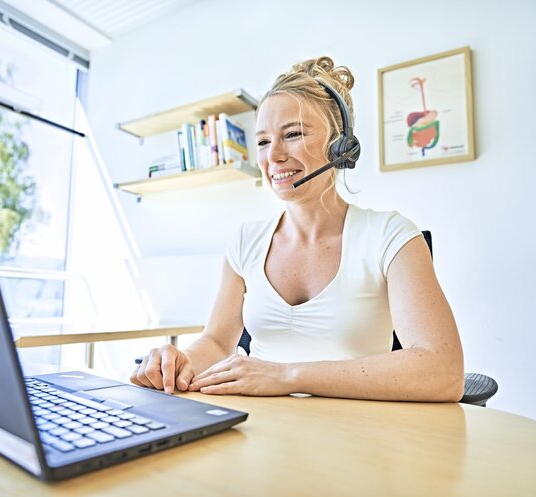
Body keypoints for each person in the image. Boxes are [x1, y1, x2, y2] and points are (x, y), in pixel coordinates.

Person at [131, 57, 464, 402]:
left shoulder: (391, 236)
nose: (273, 155)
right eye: (262, 141)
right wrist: (179, 360)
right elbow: (216, 342)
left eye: (292, 134)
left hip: (358, 437)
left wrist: (288, 375)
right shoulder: (247, 241)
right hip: (257, 433)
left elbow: (442, 371)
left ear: (341, 145)